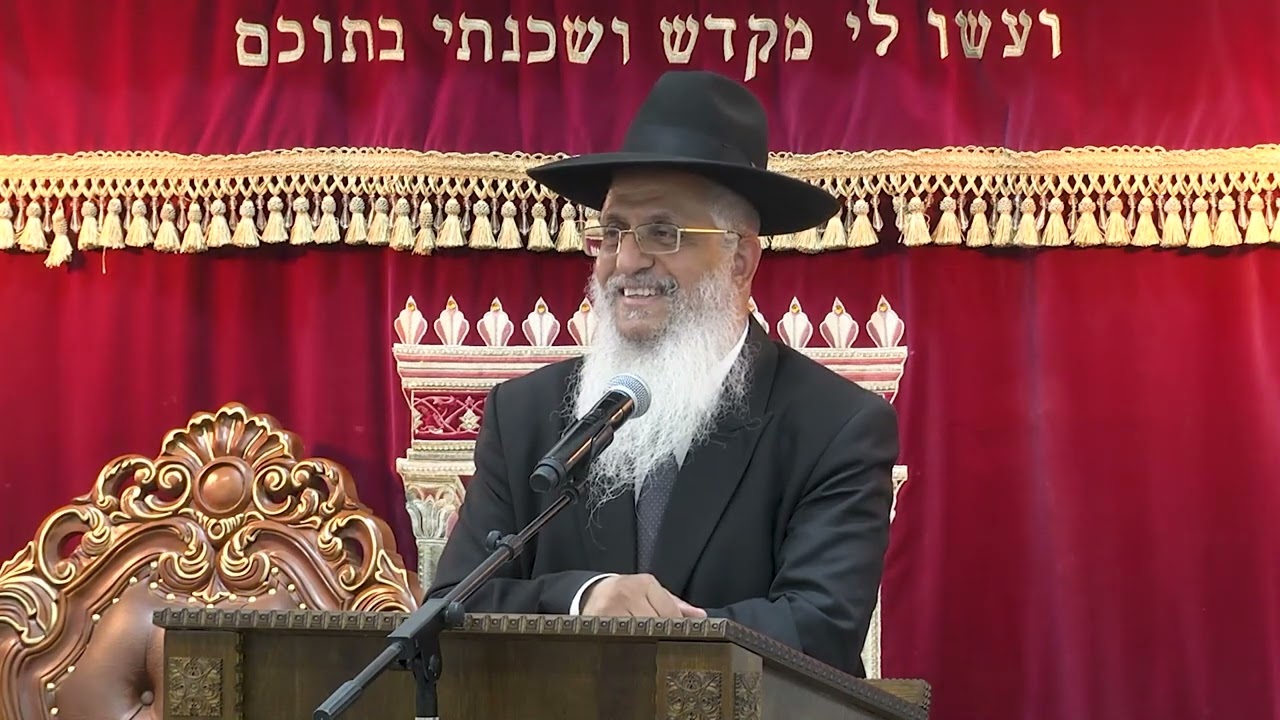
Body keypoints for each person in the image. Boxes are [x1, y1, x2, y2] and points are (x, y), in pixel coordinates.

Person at [427, 70, 899, 678]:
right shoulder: (525, 415)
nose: (626, 261)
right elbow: (452, 606)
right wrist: (584, 599)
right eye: (612, 233)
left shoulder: (835, 426)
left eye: (662, 233)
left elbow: (818, 629)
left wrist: (647, 629)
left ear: (740, 258)